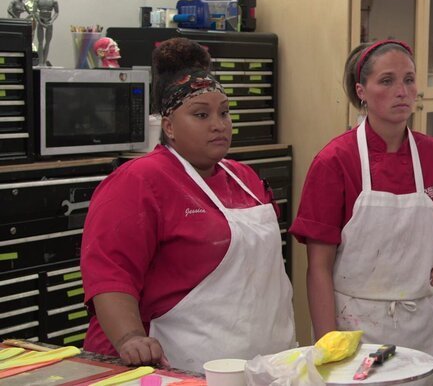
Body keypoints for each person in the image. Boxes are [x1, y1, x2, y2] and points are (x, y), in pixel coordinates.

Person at [80, 37, 295, 372]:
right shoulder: (140, 181)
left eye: (224, 113)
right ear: (168, 126)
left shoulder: (245, 178)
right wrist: (130, 338)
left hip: (259, 363)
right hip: (173, 366)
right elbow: (110, 273)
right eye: (200, 114)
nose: (218, 124)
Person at [290, 40, 433, 385]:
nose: (402, 91)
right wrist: (327, 347)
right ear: (361, 91)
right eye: (387, 81)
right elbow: (319, 268)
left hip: (423, 325)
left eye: (409, 80)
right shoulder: (335, 162)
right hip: (356, 326)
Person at [32, 0, 58, 66]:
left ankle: (43, 61)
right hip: (40, 21)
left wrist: (52, 21)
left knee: (47, 42)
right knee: (40, 42)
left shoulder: (53, 1)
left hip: (49, 22)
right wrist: (40, 21)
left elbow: (56, 12)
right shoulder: (37, 0)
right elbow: (34, 11)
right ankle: (40, 62)